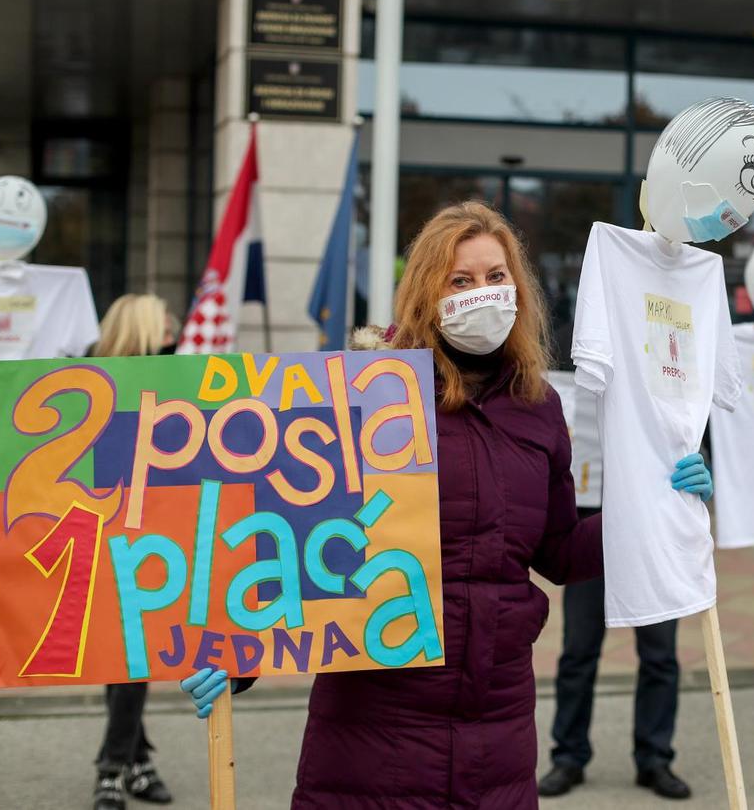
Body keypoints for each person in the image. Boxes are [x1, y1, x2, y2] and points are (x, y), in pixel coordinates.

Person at [180, 201, 715, 808]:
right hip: (374, 732)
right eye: (460, 280)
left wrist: (658, 501)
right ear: (426, 292)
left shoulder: (539, 408)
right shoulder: (366, 396)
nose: (481, 293)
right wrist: (236, 654)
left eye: (495, 276)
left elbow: (561, 553)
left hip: (499, 728)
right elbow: (295, 546)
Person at [538, 398, 690, 800]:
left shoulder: (653, 362)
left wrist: (697, 467)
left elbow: (687, 427)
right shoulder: (573, 344)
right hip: (589, 522)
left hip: (652, 526)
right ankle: (568, 756)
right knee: (578, 650)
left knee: (659, 654)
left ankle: (655, 758)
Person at [90, 294, 177, 810]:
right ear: (144, 329)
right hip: (103, 534)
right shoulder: (90, 379)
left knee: (129, 656)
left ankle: (134, 764)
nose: (173, 330)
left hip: (155, 536)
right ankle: (114, 769)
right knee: (127, 657)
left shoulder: (172, 378)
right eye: (165, 323)